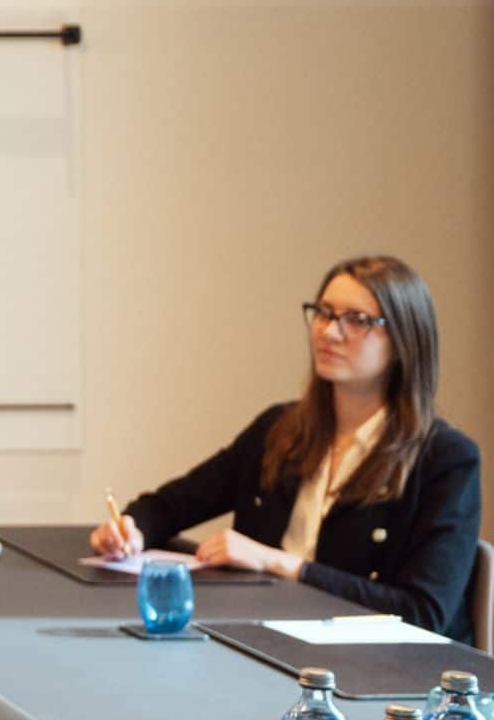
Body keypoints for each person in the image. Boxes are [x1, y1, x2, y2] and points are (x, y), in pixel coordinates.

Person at [91, 255, 483, 637]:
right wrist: (131, 529)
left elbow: (423, 612)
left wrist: (277, 563)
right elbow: (170, 505)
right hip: (265, 639)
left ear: (403, 342)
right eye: (324, 313)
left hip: (380, 671)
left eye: (357, 320)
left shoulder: (446, 459)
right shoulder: (280, 427)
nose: (329, 332)